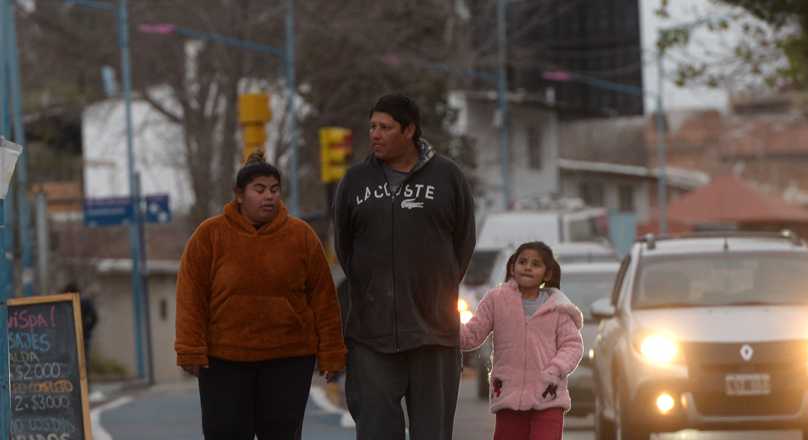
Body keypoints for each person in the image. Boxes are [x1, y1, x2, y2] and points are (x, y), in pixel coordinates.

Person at [332, 94, 476, 440]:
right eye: (372, 127)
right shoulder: (355, 182)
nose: (375, 135)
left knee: (433, 433)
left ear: (409, 130)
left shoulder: (448, 177)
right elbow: (346, 249)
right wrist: (371, 291)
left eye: (385, 127)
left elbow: (463, 243)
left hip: (433, 333)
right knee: (376, 431)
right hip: (371, 335)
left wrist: (434, 287)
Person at [176, 152, 346, 439]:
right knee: (224, 432)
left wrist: (332, 354)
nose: (269, 196)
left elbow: (324, 300)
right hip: (225, 359)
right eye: (259, 189)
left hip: (289, 358)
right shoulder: (210, 235)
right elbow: (191, 295)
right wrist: (190, 349)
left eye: (274, 190)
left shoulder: (301, 236)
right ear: (239, 195)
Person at [460, 241, 584, 440]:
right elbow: (471, 336)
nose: (528, 267)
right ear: (512, 267)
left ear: (547, 273)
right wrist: (445, 321)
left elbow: (572, 345)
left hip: (548, 397)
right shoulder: (496, 300)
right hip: (508, 397)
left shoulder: (558, 307)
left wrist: (554, 370)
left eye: (536, 264)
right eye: (523, 262)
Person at [64, 283, 98, 366]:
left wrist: (86, 329)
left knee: (75, 359)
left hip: (74, 336)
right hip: (82, 335)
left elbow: (94, 318)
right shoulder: (85, 302)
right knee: (83, 359)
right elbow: (94, 318)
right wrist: (87, 329)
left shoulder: (68, 303)